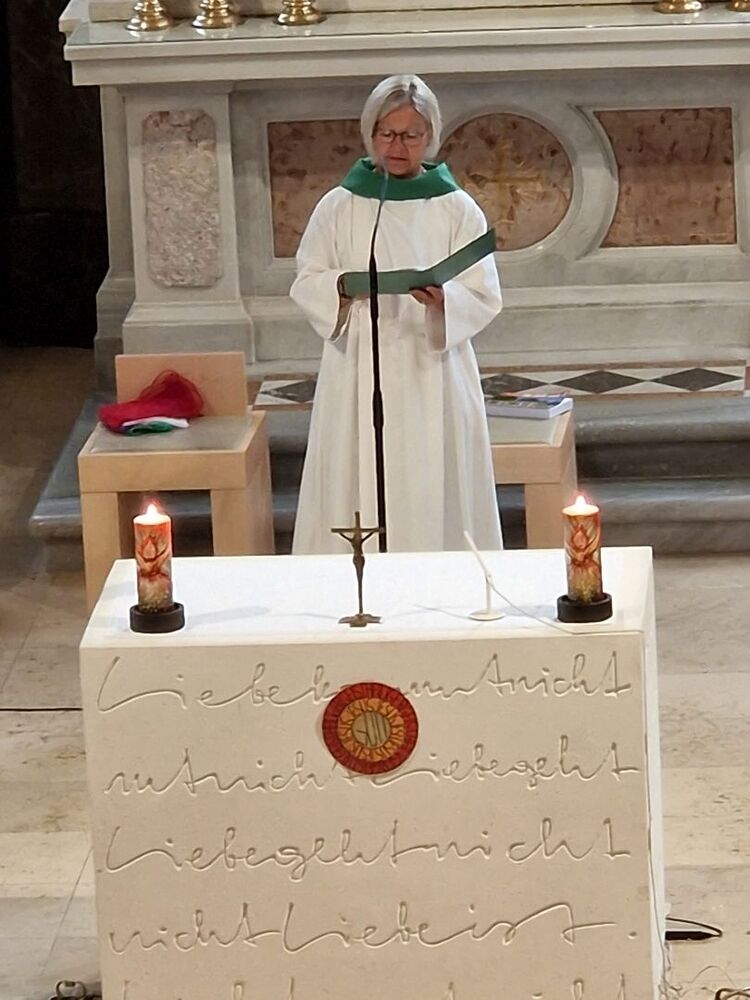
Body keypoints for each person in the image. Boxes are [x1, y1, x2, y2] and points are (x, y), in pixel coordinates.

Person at [290, 74, 503, 555]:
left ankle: (439, 579)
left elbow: (484, 291)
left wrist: (445, 301)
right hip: (358, 366)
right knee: (357, 472)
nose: (397, 146)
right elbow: (307, 279)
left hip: (433, 367)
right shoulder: (340, 205)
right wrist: (340, 287)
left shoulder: (456, 207)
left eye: (410, 135)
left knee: (431, 477)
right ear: (370, 133)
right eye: (386, 133)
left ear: (431, 137)